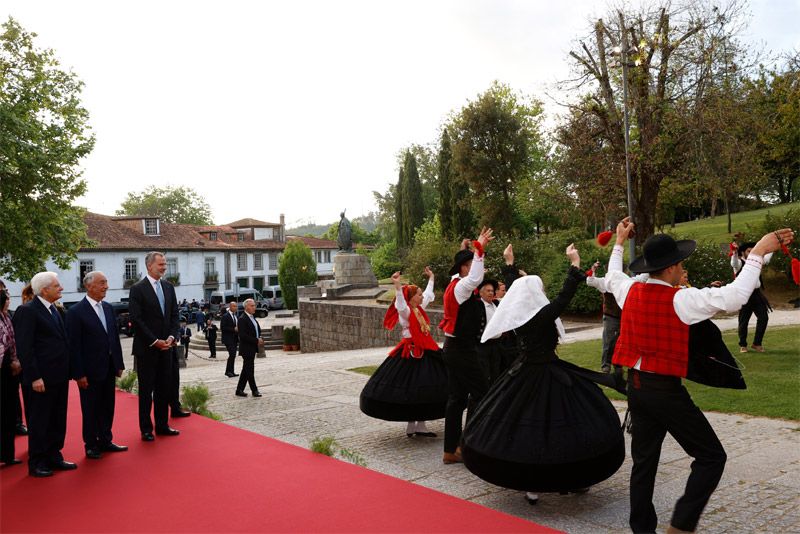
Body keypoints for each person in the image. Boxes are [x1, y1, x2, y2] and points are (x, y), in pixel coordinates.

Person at [605, 218, 793, 534]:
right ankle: (681, 526)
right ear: (669, 268)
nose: (682, 268)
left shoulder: (630, 290)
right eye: (679, 263)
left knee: (644, 464)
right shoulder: (680, 299)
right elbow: (735, 298)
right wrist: (758, 252)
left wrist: (619, 242)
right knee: (711, 457)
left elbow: (612, 275)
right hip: (663, 389)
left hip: (636, 386)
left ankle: (642, 530)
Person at [462, 245, 626, 506]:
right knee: (568, 422)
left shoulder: (518, 315)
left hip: (524, 374)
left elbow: (516, 289)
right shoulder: (542, 315)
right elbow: (564, 296)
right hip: (548, 373)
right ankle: (565, 477)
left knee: (529, 426)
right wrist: (574, 265)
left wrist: (509, 265)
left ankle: (535, 484)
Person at [360, 268, 447, 437]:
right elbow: (400, 303)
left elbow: (429, 295)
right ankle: (411, 424)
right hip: (410, 354)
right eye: (418, 295)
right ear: (411, 297)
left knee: (423, 389)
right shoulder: (406, 311)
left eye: (421, 295)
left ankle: (420, 425)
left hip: (425, 351)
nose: (422, 297)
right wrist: (398, 286)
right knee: (411, 389)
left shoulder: (419, 308)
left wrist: (432, 278)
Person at [12, 272, 76, 477]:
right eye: (57, 286)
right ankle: (37, 461)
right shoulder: (27, 311)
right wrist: (34, 376)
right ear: (44, 289)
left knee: (58, 418)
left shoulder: (54, 310)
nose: (61, 288)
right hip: (40, 378)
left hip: (58, 376)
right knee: (40, 420)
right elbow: (25, 347)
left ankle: (54, 455)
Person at [438, 228, 493, 464]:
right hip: (461, 350)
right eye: (470, 263)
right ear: (463, 268)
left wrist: (466, 251)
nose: (475, 266)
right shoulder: (461, 287)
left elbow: (472, 275)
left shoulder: (455, 283)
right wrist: (478, 248)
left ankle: (451, 450)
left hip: (454, 348)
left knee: (457, 399)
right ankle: (469, 443)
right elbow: (476, 279)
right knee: (483, 393)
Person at [65, 271, 127, 460]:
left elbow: (114, 338)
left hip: (108, 367)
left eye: (106, 282)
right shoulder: (75, 312)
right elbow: (73, 346)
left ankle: (106, 440)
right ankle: (91, 444)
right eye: (102, 283)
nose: (106, 286)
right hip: (89, 371)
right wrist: (78, 373)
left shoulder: (108, 308)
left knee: (108, 406)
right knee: (91, 408)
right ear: (89, 286)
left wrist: (118, 363)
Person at [128, 251, 181, 442]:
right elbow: (137, 319)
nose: (164, 267)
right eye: (161, 264)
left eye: (165, 264)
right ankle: (146, 429)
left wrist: (172, 336)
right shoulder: (137, 289)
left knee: (163, 389)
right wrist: (154, 341)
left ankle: (162, 425)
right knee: (146, 391)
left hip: (167, 348)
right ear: (149, 266)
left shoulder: (168, 287)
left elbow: (175, 315)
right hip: (146, 349)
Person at [732, 242, 773, 353]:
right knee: (743, 321)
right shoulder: (739, 263)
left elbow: (767, 258)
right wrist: (734, 253)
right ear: (743, 252)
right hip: (744, 295)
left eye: (752, 251)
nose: (751, 253)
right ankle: (743, 345)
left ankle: (757, 343)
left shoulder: (756, 262)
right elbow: (734, 263)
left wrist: (773, 245)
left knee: (764, 318)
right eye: (749, 251)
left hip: (756, 294)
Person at [0, 280, 23, 466]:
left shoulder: (7, 317)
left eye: (6, 293)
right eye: (4, 295)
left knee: (8, 414)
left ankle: (7, 455)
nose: (7, 297)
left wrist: (15, 360)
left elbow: (12, 343)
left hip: (9, 370)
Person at [476, 279, 504, 385]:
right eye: (488, 291)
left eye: (492, 291)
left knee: (496, 372)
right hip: (482, 345)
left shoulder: (496, 304)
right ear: (481, 293)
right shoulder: (477, 305)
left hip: (496, 344)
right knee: (484, 373)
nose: (491, 293)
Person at [235, 299, 263, 398]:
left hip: (252, 347)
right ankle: (254, 390)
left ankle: (239, 389)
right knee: (250, 370)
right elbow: (242, 335)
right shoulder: (242, 319)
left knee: (246, 370)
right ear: (246, 307)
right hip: (246, 348)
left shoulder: (252, 318)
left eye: (254, 305)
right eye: (252, 305)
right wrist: (256, 340)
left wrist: (259, 337)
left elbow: (257, 330)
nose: (254, 307)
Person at [221, 303, 240, 378]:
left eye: (236, 306)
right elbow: (223, 327)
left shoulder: (235, 316)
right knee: (232, 354)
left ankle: (231, 371)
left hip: (234, 338)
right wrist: (233, 329)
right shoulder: (225, 316)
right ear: (230, 307)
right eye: (234, 306)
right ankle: (228, 371)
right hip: (228, 339)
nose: (236, 308)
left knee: (233, 355)